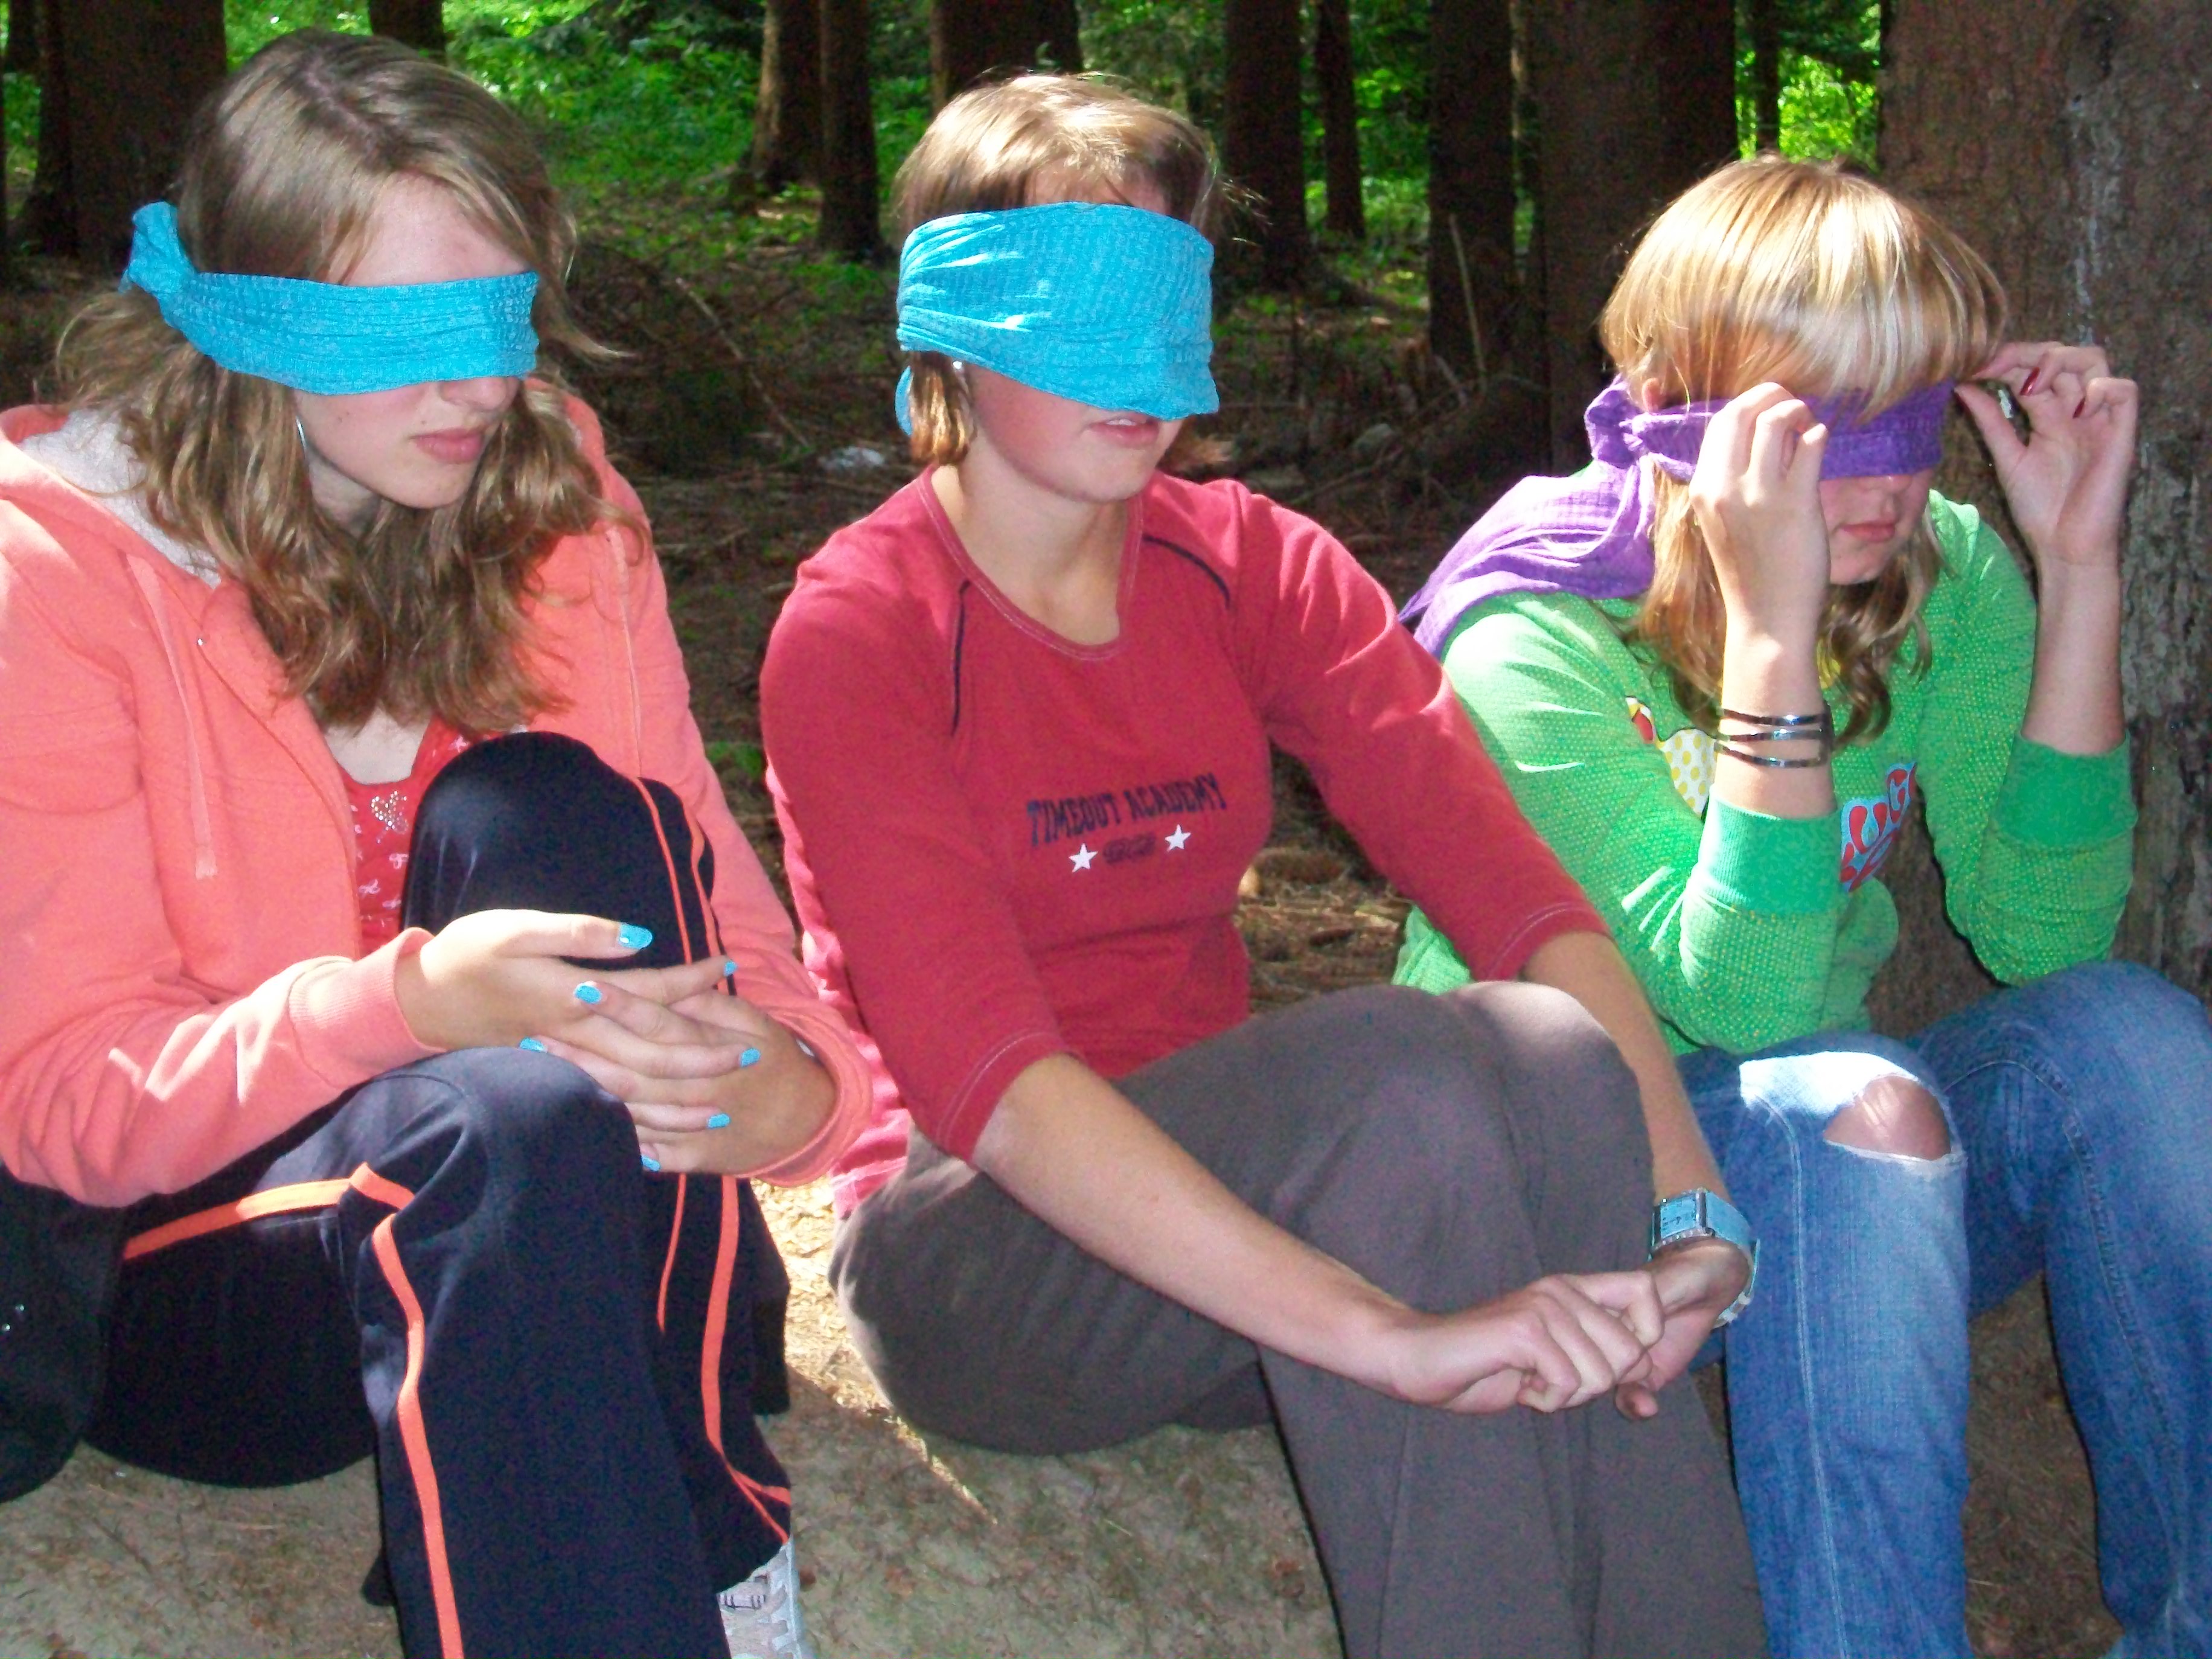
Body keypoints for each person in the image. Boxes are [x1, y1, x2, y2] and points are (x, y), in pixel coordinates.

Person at [761, 75, 1768, 1659]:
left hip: (1258, 1224)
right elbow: (991, 1086)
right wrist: (1386, 1335)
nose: (1134, 366)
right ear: (948, 322)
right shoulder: (860, 629)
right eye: (1076, 305)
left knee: (1551, 1051)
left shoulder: (1255, 566)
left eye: (1165, 298)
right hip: (978, 1251)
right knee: (1403, 1079)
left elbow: (1521, 908)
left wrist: (1686, 1207)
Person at [0, 31, 873, 1659]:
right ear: (249, 320)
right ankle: (686, 1549)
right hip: (194, 1278)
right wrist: (407, 1006)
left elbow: (708, 896)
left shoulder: (556, 504)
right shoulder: (52, 573)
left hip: (551, 1218)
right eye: (406, 336)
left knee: (552, 808)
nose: (478, 388)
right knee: (483, 1116)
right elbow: (65, 1104)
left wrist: (790, 1078)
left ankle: (692, 1538)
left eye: (499, 318)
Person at [1396, 156, 2212, 1659]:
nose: (1888, 484)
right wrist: (1772, 644)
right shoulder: (1529, 635)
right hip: (1587, 1198)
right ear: (1685, 414)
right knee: (1850, 1097)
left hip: (1838, 1189)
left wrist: (2077, 568)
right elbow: (1745, 1004)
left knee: (2131, 1039)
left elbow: (2043, 938)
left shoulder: (1937, 575)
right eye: (1827, 426)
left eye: (1910, 416)